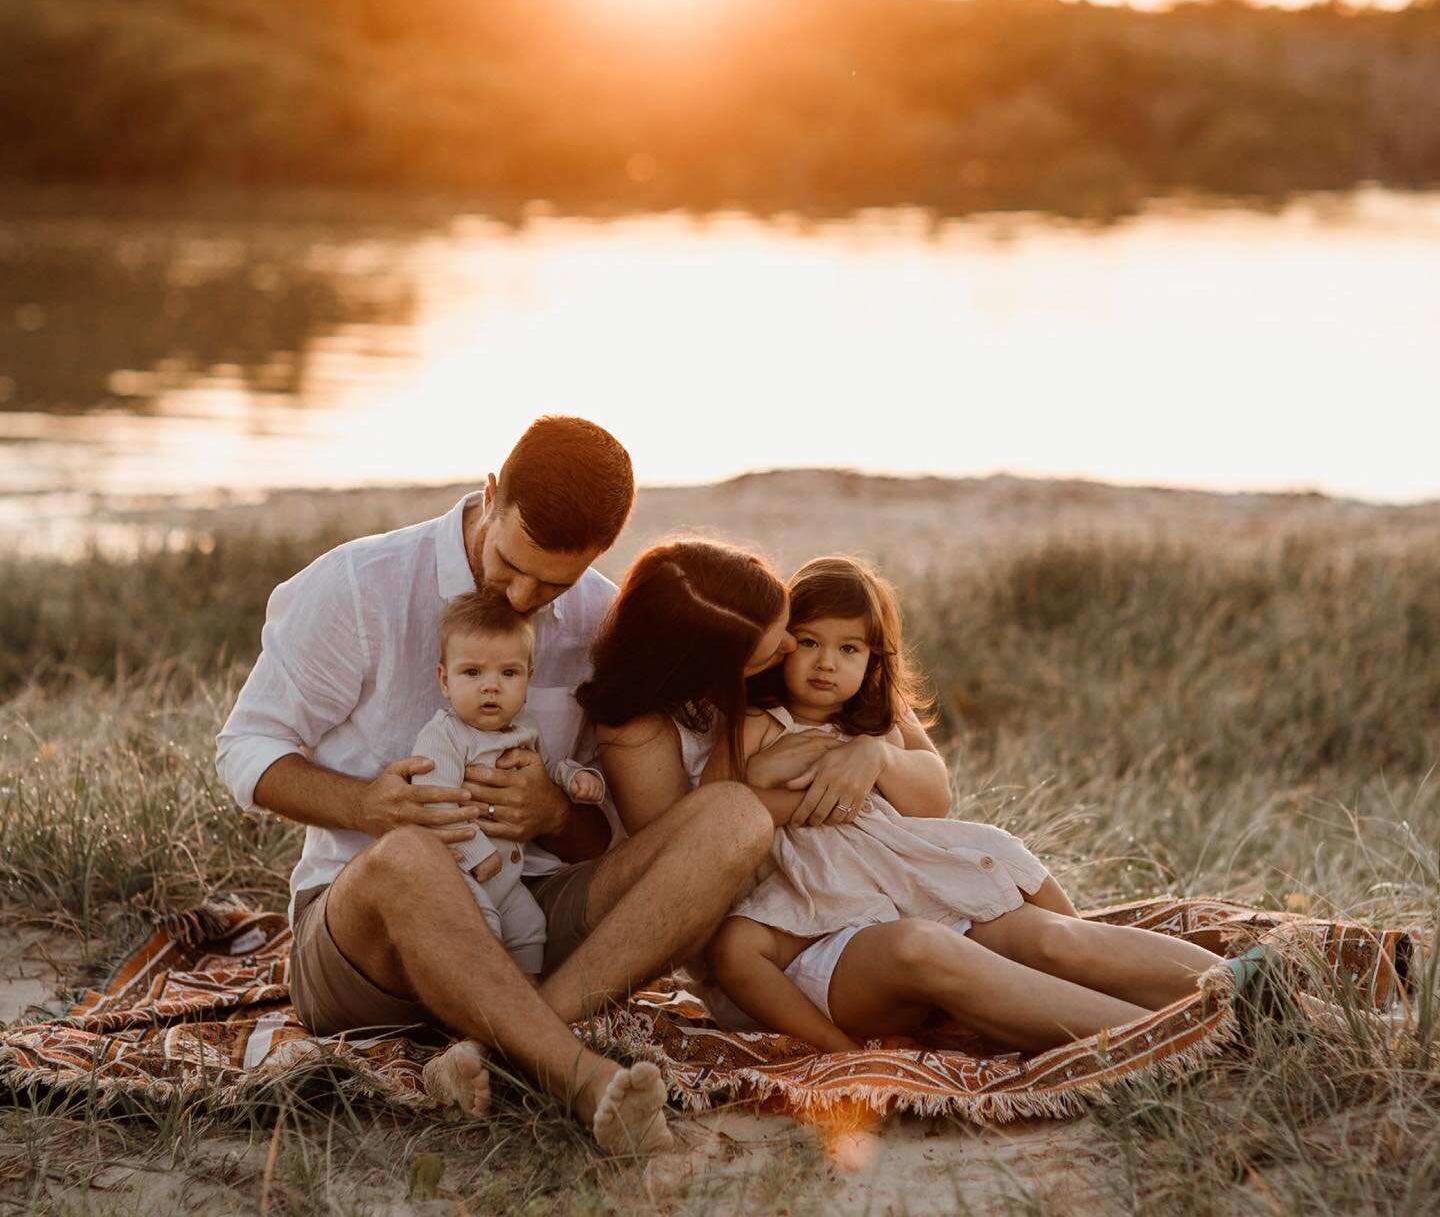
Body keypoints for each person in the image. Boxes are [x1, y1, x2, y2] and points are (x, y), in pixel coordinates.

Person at [215, 416, 772, 1155]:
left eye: (553, 582)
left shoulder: (601, 617)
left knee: (735, 818)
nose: (520, 594)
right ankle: (580, 1078)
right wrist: (364, 804)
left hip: (530, 920)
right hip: (366, 946)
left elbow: (608, 832)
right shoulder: (360, 585)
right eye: (511, 562)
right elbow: (245, 748)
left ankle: (504, 1043)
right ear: (490, 496)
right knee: (409, 853)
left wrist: (553, 813)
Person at [590, 539, 1222, 1058]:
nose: (814, 660)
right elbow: (716, 817)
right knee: (932, 946)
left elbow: (933, 796)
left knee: (1055, 941)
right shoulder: (738, 718)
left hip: (903, 883)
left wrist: (876, 754)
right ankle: (1170, 1036)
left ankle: (1242, 989)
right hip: (815, 917)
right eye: (802, 641)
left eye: (847, 649)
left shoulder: (867, 711)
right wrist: (770, 780)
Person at [409, 590, 606, 978]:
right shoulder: (445, 736)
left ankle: (527, 998)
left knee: (531, 926)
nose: (491, 687)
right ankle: (485, 1013)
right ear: (444, 680)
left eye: (509, 673)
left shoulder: (525, 728)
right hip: (462, 876)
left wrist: (577, 777)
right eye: (473, 673)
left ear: (528, 678)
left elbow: (546, 769)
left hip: (508, 879)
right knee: (484, 933)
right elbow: (437, 805)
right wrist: (478, 854)